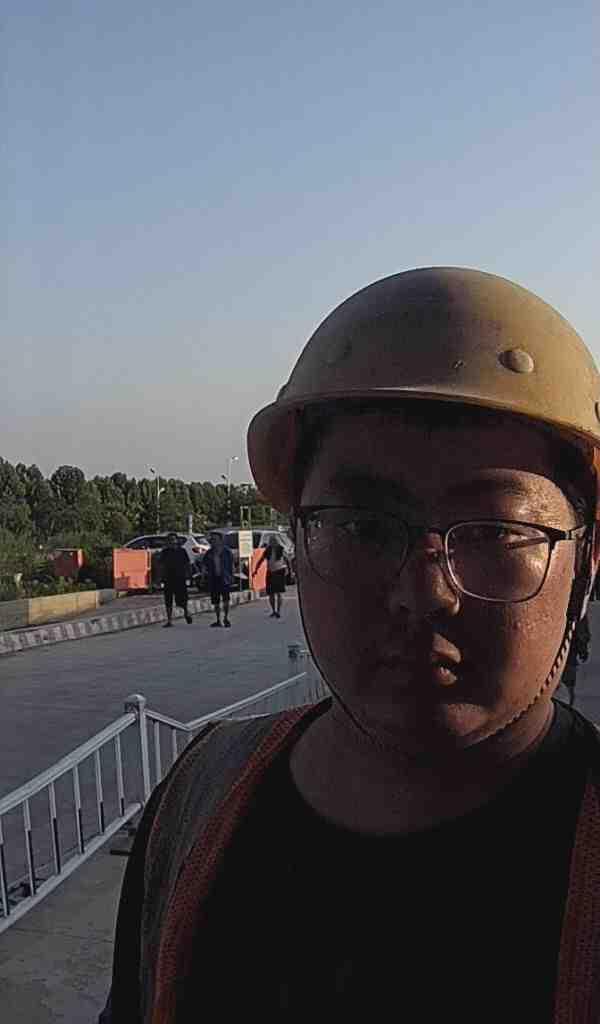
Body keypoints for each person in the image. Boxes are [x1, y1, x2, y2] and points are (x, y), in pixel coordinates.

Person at [101, 268, 600, 1022]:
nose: (423, 592)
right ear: (298, 540)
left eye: (495, 532)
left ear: (587, 562)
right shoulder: (199, 802)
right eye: (362, 526)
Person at [159, 533, 192, 627]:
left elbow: (187, 564)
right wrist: (160, 578)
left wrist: (189, 576)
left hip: (180, 578)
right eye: (169, 540)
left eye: (173, 539)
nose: (171, 541)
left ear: (177, 540)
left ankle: (186, 612)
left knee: (182, 598)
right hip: (168, 578)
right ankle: (169, 620)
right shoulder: (165, 552)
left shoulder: (182, 551)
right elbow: (161, 565)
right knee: (168, 600)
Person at [252, 534, 288, 617]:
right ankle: (273, 610)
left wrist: (290, 570)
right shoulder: (267, 550)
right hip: (270, 572)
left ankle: (278, 611)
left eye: (274, 541)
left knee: (279, 592)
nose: (272, 542)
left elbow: (287, 559)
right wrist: (256, 570)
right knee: (271, 593)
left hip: (279, 571)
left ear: (277, 542)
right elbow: (261, 560)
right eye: (271, 541)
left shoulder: (281, 549)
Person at [203, 532, 233, 627]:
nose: (213, 541)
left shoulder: (226, 552)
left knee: (226, 599)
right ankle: (218, 619)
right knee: (216, 601)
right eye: (212, 539)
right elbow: (204, 565)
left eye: (215, 539)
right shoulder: (209, 553)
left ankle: (226, 618)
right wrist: (204, 575)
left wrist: (231, 576)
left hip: (224, 578)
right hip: (214, 578)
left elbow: (231, 565)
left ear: (220, 541)